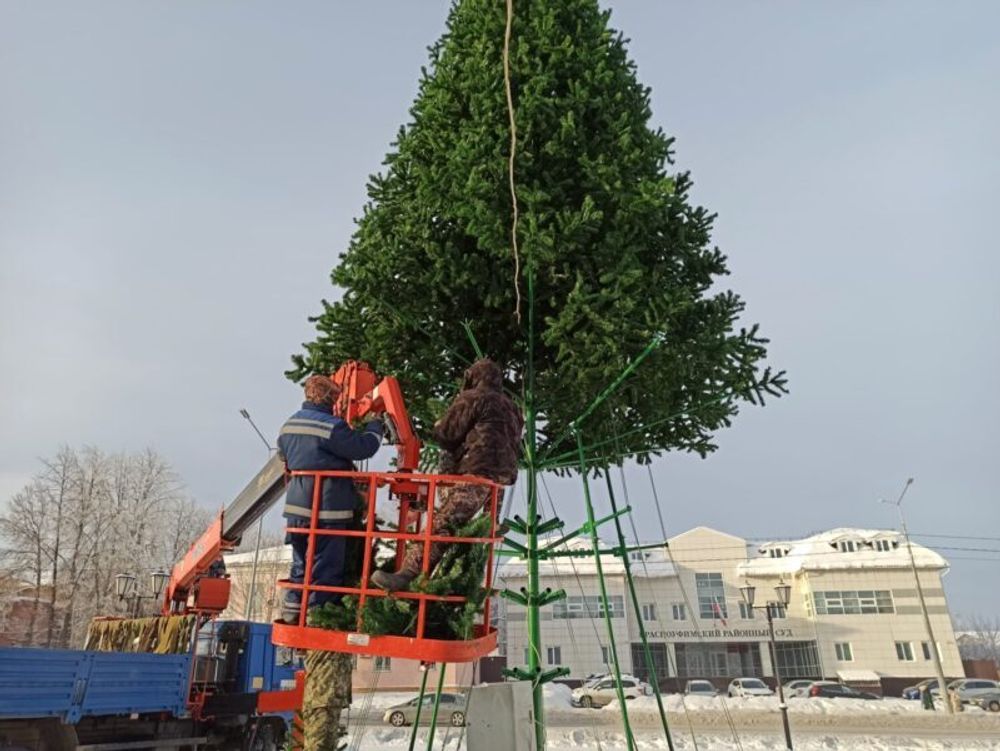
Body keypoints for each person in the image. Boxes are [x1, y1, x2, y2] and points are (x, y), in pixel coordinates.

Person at [371, 358, 522, 592]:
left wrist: (441, 422)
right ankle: (493, 522)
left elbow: (446, 434)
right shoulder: (512, 407)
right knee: (472, 526)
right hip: (500, 481)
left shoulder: (473, 398)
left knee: (442, 524)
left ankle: (408, 574)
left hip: (476, 472)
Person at [278, 373, 383, 623]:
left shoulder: (288, 425)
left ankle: (293, 609)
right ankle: (320, 614)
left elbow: (284, 456)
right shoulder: (332, 427)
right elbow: (363, 448)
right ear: (331, 399)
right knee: (326, 564)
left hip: (296, 509)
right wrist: (375, 425)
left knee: (300, 561)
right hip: (328, 508)